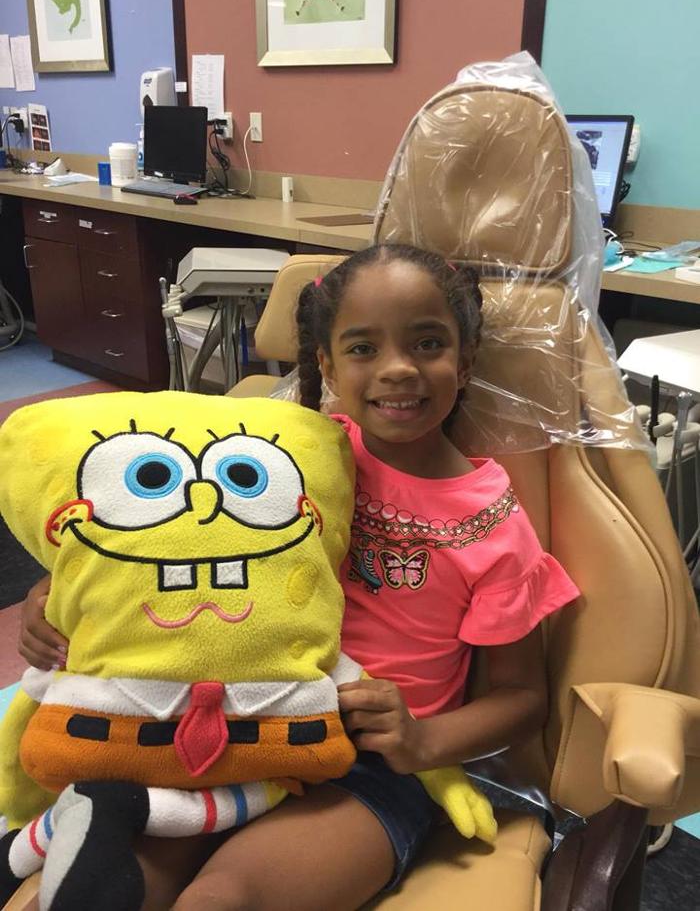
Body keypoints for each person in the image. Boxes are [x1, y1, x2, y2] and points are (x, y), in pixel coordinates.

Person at [17, 243, 579, 910]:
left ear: (465, 358)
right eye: (363, 348)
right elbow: (157, 549)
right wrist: (48, 597)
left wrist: (423, 739)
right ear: (328, 365)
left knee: (219, 901)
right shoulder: (288, 463)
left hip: (373, 765)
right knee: (102, 890)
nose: (399, 368)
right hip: (231, 721)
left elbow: (523, 697)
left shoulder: (493, 527)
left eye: (428, 343)